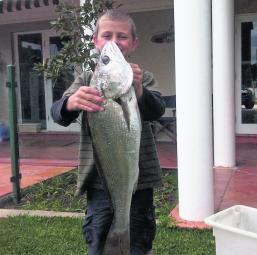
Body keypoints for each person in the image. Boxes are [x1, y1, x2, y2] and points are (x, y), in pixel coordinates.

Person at [51, 9, 165, 255]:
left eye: (122, 36)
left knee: (138, 242)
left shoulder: (142, 78)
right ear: (95, 41)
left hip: (140, 179)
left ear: (134, 43)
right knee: (98, 241)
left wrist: (139, 91)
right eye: (107, 35)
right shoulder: (86, 79)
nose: (114, 42)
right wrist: (70, 103)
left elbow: (157, 109)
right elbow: (58, 113)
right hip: (98, 180)